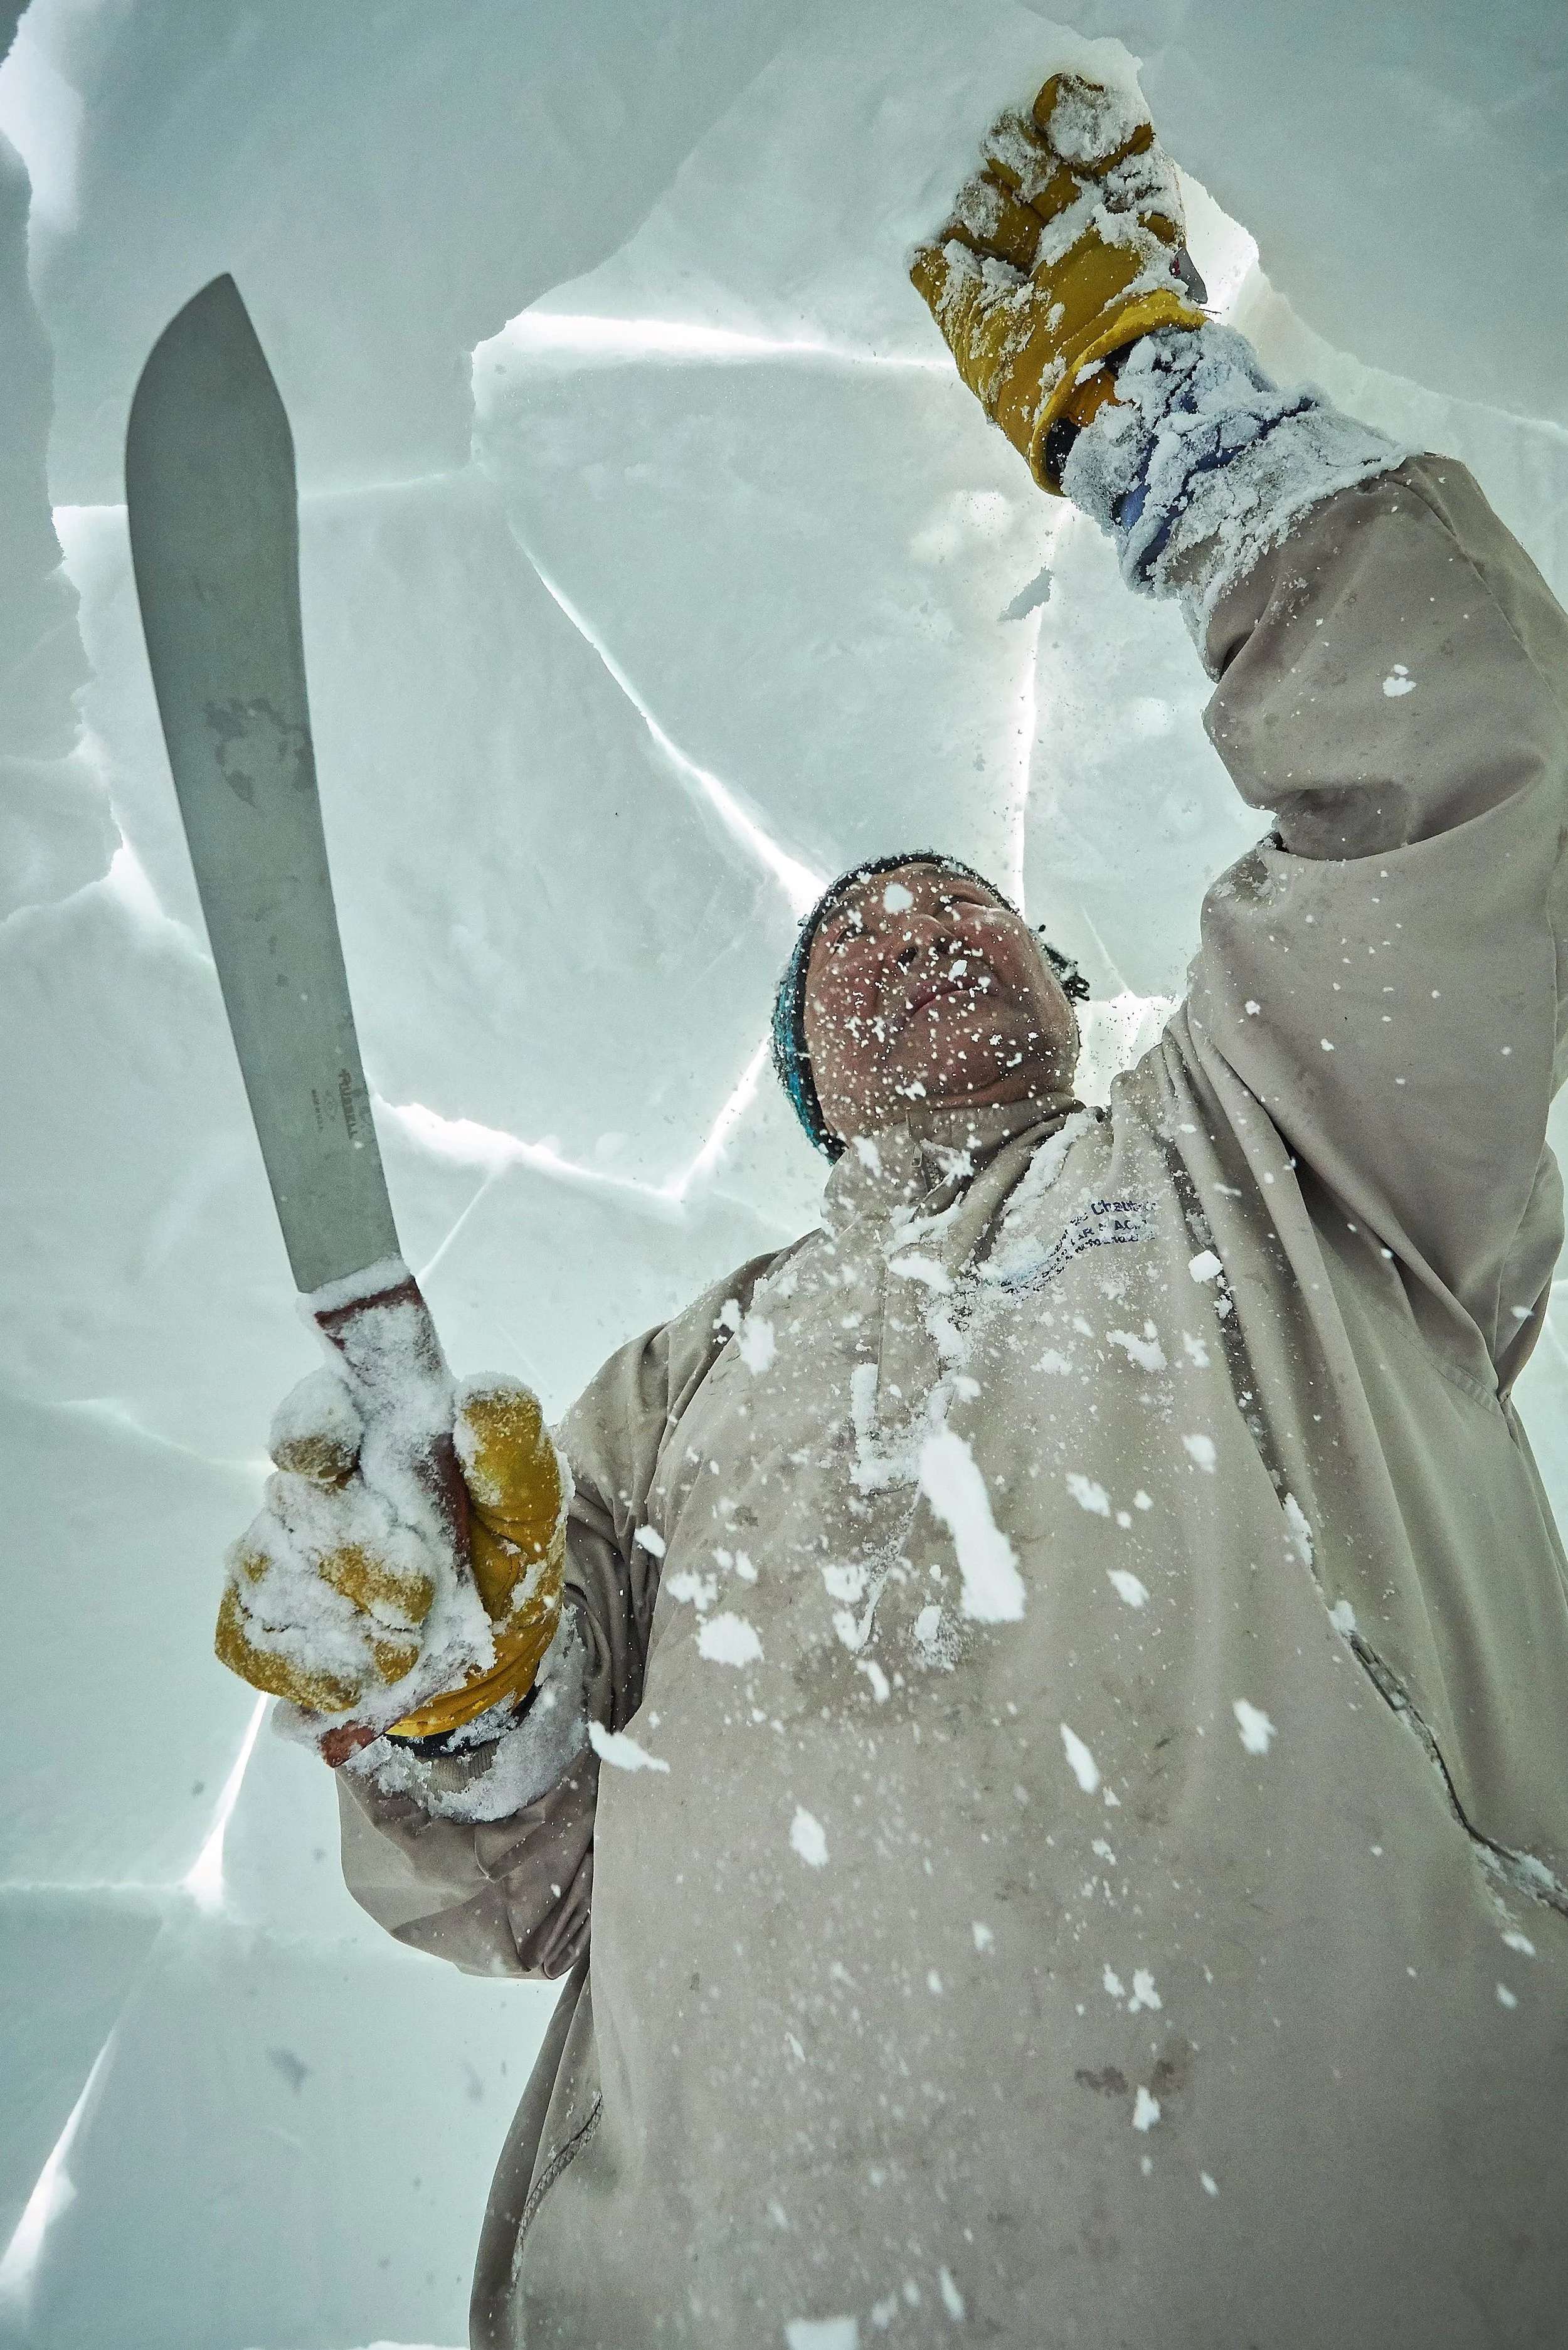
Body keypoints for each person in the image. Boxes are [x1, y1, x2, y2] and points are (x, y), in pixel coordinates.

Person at [213, 73, 1568, 2349]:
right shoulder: (686, 1379)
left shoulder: (1265, 1143)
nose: (910, 925)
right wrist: (456, 1711)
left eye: (964, 909)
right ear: (807, 1092)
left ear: (1067, 994)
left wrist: (1166, 420)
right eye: (848, 936)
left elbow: (1468, 778)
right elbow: (529, 1873)